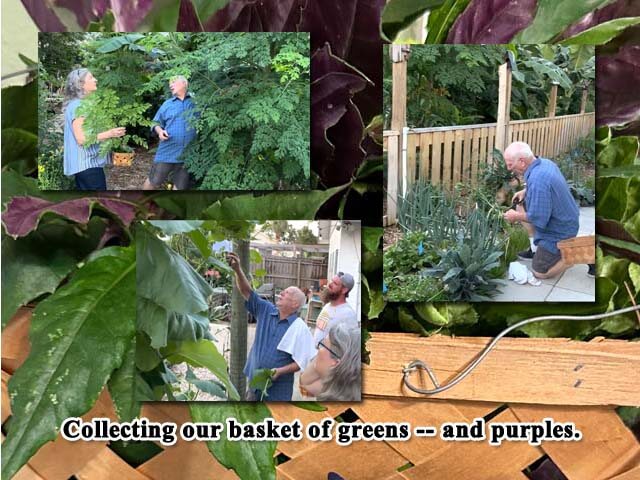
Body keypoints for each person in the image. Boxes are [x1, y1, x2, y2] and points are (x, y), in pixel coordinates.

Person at [226, 252, 316, 401]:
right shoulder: (266, 310)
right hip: (255, 383)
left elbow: (301, 362)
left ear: (294, 304)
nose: (281, 294)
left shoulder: (299, 328)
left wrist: (280, 371)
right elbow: (246, 291)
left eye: (286, 293)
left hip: (278, 392)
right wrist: (237, 269)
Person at [502, 141, 580, 278]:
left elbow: (538, 217)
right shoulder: (543, 163)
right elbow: (545, 187)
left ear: (521, 162)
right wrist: (526, 191)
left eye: (510, 164)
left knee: (539, 271)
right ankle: (535, 248)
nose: (508, 168)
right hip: (565, 217)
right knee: (520, 203)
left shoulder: (539, 179)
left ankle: (574, 255)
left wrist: (515, 216)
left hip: (560, 230)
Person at [63, 68, 126, 190]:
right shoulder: (79, 106)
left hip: (86, 166)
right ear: (81, 84)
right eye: (91, 78)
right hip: (88, 166)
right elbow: (81, 139)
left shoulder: (82, 104)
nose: (95, 80)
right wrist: (110, 133)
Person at [142, 76, 197, 190]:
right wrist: (160, 131)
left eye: (173, 82)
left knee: (180, 187)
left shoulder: (195, 103)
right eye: (169, 83)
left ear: (184, 84)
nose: (170, 85)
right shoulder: (167, 104)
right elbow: (155, 122)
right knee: (154, 181)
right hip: (168, 151)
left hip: (187, 153)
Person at [300, 323, 361, 401]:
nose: (318, 350)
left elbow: (305, 385)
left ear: (335, 362)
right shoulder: (338, 386)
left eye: (322, 345)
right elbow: (304, 384)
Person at [313, 272, 358, 345]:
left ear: (344, 290)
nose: (330, 284)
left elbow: (351, 344)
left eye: (335, 283)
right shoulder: (327, 306)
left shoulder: (348, 314)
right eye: (331, 281)